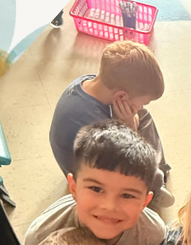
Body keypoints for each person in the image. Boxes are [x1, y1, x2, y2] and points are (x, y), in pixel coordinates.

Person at [25, 120, 166, 245]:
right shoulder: (40, 240)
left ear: (145, 202)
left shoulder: (151, 234)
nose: (109, 206)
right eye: (96, 189)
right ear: (74, 188)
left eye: (127, 195)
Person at [48, 40, 172, 205]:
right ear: (121, 97)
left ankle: (159, 170)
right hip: (93, 178)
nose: (142, 105)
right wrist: (129, 126)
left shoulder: (89, 82)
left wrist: (130, 120)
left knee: (142, 115)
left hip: (92, 155)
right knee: (152, 174)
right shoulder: (97, 127)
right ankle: (155, 187)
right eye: (144, 101)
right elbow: (125, 160)